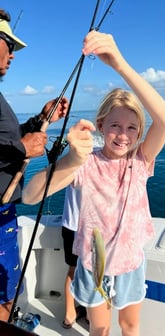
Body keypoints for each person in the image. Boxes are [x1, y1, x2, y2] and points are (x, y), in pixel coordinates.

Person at [23, 30, 165, 336]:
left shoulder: (141, 160)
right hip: (93, 266)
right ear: (101, 126)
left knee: (130, 326)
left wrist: (119, 64)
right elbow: (30, 196)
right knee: (99, 329)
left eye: (132, 128)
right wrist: (71, 160)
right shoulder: (85, 162)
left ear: (140, 132)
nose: (123, 135)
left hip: (131, 261)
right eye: (115, 125)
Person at [0, 8, 68, 322]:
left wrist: (42, 119)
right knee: (3, 293)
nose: (12, 55)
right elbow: (12, 146)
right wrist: (19, 149)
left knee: (7, 287)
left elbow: (9, 139)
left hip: (4, 213)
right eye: (7, 44)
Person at [61, 185, 88, 329]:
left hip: (70, 225)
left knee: (72, 269)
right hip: (91, 228)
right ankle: (91, 314)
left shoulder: (69, 162)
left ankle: (69, 315)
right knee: (94, 273)